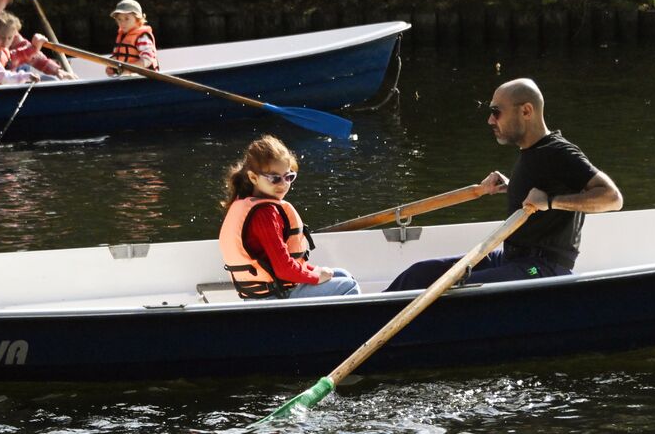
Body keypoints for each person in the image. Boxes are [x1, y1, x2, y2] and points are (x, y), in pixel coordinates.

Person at [385, 78, 622, 292]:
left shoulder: (560, 152)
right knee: (419, 274)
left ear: (526, 111)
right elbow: (543, 187)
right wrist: (512, 186)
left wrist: (550, 202)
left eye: (496, 112)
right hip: (510, 259)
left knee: (456, 289)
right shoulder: (532, 152)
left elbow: (612, 198)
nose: (490, 120)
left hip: (540, 268)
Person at [219, 135, 361, 300]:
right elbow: (283, 269)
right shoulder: (264, 214)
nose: (283, 184)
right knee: (348, 287)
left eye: (289, 177)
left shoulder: (248, 203)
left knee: (342, 274)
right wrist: (314, 276)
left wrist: (311, 270)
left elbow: (279, 263)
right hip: (273, 296)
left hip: (273, 289)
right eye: (275, 178)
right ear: (253, 178)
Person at [0, 12, 60, 87]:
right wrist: (27, 76)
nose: (6, 42)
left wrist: (34, 48)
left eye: (10, 38)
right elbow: (4, 78)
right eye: (2, 37)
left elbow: (17, 57)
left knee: (49, 78)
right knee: (27, 72)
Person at [105, 0, 159, 75]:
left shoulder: (142, 37)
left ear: (137, 19)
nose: (122, 23)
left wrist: (129, 69)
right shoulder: (122, 36)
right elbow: (117, 57)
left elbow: (148, 59)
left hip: (142, 79)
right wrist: (112, 67)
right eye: (119, 19)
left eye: (127, 19)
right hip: (125, 79)